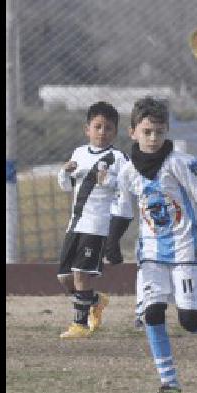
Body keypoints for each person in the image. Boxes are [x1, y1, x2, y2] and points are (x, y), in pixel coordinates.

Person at [114, 97, 197, 393]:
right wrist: (112, 242)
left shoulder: (181, 162)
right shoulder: (127, 170)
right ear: (133, 132)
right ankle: (169, 384)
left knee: (190, 319)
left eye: (159, 132)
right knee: (152, 313)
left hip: (187, 250)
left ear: (166, 132)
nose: (153, 138)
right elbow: (121, 209)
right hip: (151, 254)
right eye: (146, 132)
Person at [56, 101, 133, 339]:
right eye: (97, 127)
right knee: (65, 277)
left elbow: (128, 188)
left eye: (108, 128)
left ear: (115, 132)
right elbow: (66, 186)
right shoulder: (79, 153)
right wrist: (64, 172)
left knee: (81, 273)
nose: (102, 132)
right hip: (75, 223)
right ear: (86, 129)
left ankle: (80, 324)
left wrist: (107, 181)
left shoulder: (118, 158)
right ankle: (97, 300)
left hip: (97, 225)